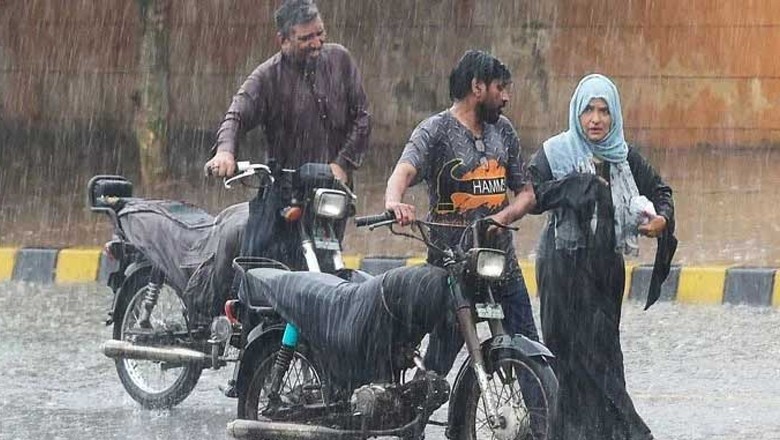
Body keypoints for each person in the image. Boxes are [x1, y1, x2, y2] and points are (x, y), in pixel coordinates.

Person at [528, 73, 677, 440]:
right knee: (568, 358)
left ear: (614, 117)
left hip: (605, 270)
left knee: (605, 356)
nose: (595, 119)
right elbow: (530, 193)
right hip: (562, 265)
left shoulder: (623, 157)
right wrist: (575, 187)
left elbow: (661, 192)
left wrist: (661, 220)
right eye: (588, 111)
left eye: (603, 111)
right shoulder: (555, 152)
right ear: (576, 113)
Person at [384, 50, 539, 374]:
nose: (506, 97)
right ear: (477, 87)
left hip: (502, 265)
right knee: (436, 371)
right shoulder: (435, 131)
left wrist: (503, 217)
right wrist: (394, 202)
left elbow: (526, 193)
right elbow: (404, 171)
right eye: (501, 88)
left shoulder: (504, 131)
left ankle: (541, 424)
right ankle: (410, 420)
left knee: (532, 358)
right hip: (452, 269)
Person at [204, 0, 370, 265]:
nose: (316, 43)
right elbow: (236, 115)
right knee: (255, 262)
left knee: (329, 262)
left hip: (332, 190)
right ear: (283, 40)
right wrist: (225, 151)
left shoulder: (341, 60)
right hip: (286, 190)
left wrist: (341, 164)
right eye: (306, 38)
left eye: (320, 33)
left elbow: (362, 117)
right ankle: (232, 304)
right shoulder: (267, 77)